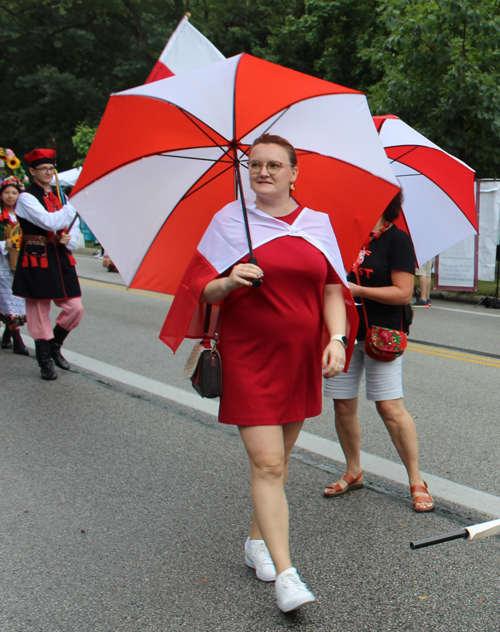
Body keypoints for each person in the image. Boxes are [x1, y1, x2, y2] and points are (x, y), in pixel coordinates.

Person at [160, 134, 357, 612]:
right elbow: (200, 292)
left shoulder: (318, 224)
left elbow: (333, 289)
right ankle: (287, 576)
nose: (262, 172)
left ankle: (255, 542)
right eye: (254, 165)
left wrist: (336, 339)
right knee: (269, 464)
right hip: (249, 357)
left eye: (273, 165)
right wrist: (229, 279)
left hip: (301, 359)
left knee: (280, 461)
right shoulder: (230, 222)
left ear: (294, 173)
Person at [323, 191, 434, 513]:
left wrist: (356, 289)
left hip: (381, 334)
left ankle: (416, 479)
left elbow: (402, 293)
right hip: (340, 332)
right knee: (343, 406)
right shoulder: (340, 237)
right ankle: (354, 470)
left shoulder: (396, 240)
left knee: (390, 408)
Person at [12, 149, 84, 380]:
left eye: (51, 169)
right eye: (43, 169)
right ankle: (44, 361)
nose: (48, 173)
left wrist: (67, 238)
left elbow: (68, 226)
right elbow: (49, 221)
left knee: (75, 307)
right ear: (32, 171)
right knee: (39, 311)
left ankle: (54, 346)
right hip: (36, 254)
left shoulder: (57, 196)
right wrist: (74, 204)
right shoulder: (26, 198)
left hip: (58, 253)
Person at [0, 176, 29, 355]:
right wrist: (5, 244)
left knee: (18, 301)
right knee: (8, 302)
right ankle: (18, 339)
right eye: (7, 192)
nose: (10, 196)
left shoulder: (25, 216)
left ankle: (7, 333)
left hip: (21, 264)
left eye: (14, 193)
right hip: (2, 266)